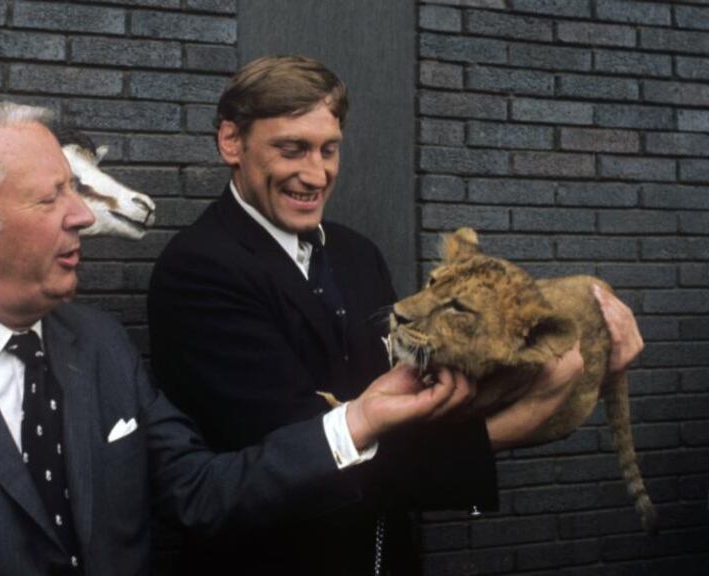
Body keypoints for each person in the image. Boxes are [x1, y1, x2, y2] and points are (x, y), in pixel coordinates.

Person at [0, 101, 511, 575]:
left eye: (77, 191)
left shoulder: (99, 347)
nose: (83, 216)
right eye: (53, 197)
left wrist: (361, 420)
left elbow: (203, 493)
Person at [147, 55, 644, 575]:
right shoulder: (198, 270)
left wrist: (581, 352)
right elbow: (297, 462)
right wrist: (515, 425)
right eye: (291, 149)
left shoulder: (358, 254)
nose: (316, 174)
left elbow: (420, 390)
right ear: (232, 142)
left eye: (328, 149)